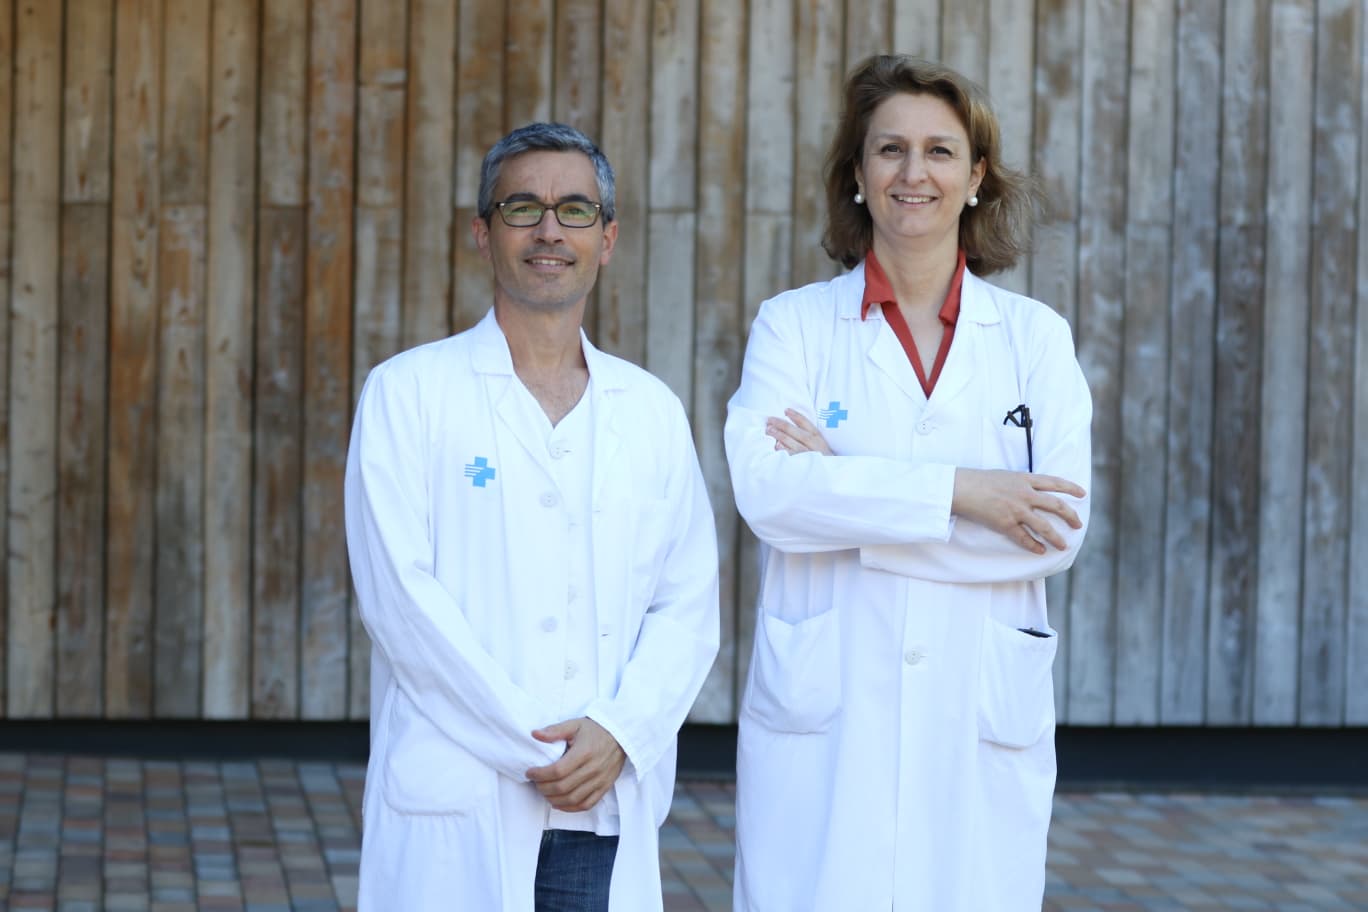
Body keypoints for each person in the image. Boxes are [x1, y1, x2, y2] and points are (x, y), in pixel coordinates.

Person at [725, 55, 1092, 911]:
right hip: (829, 724)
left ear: (977, 176)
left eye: (939, 150)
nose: (912, 172)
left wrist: (843, 494)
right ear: (857, 175)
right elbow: (770, 497)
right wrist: (965, 493)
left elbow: (1056, 533)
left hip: (976, 715)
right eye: (889, 149)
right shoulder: (794, 327)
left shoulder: (1034, 340)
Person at [345, 122, 719, 912]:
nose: (550, 230)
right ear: (483, 233)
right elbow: (400, 603)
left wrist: (620, 732)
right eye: (523, 207)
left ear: (606, 239)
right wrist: (535, 744)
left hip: (601, 804)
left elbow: (686, 605)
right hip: (463, 794)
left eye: (575, 209)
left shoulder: (650, 410)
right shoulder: (408, 394)